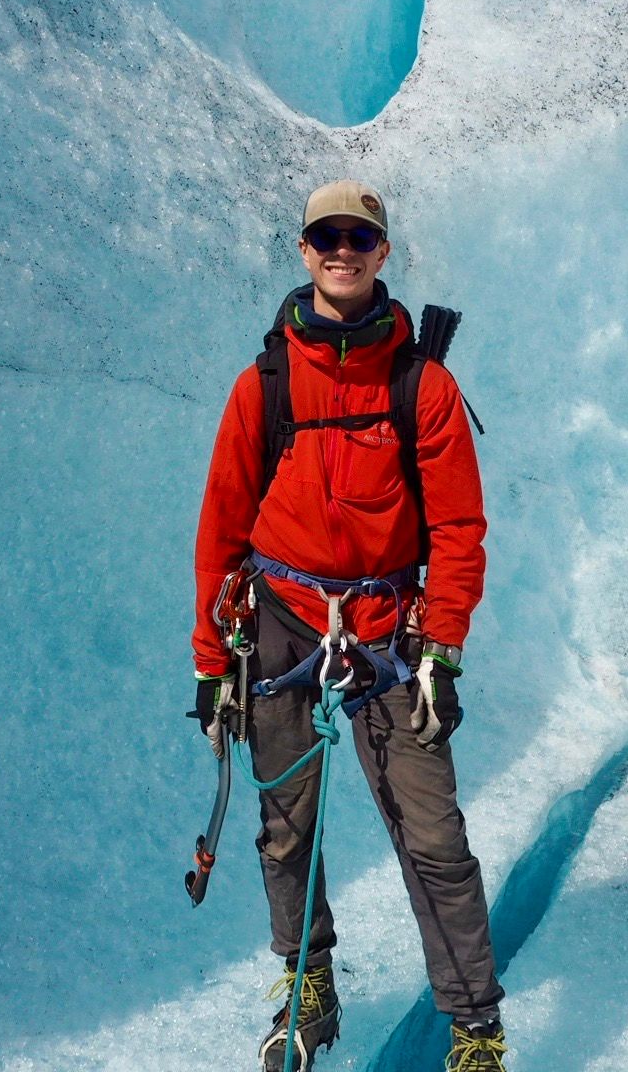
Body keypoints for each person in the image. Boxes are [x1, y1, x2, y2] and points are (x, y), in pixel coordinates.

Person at [192, 179, 508, 1072]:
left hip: (389, 633)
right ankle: (308, 981)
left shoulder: (424, 385)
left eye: (358, 236)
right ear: (304, 250)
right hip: (281, 619)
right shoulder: (266, 383)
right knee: (285, 823)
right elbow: (221, 529)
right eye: (327, 235)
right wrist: (214, 663)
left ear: (382, 252)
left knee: (433, 837)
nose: (342, 249)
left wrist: (442, 646)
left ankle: (476, 1026)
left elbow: (456, 529)